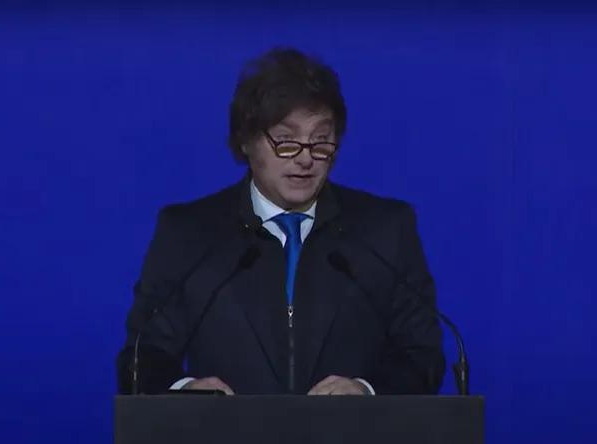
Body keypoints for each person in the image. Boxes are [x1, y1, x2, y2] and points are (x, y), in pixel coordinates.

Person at [117, 47, 444, 395]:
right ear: (245, 140)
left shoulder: (385, 231)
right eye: (286, 142)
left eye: (320, 141)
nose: (305, 159)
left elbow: (422, 356)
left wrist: (366, 390)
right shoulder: (188, 234)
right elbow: (141, 358)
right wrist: (186, 392)